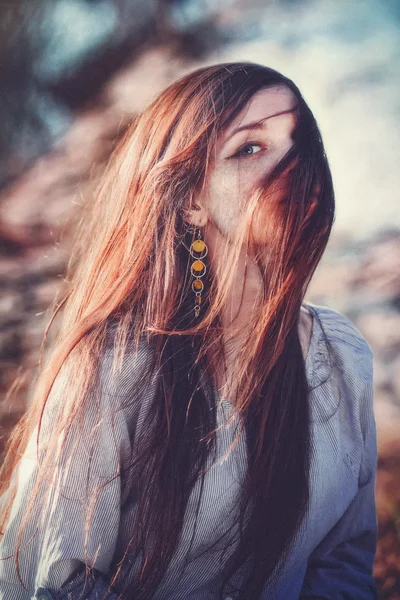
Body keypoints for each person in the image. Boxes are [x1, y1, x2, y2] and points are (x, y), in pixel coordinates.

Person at [0, 61, 379, 600]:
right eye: (251, 148)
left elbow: (343, 564)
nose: (296, 165)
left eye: (301, 139)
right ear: (192, 202)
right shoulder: (112, 368)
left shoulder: (343, 359)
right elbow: (54, 584)